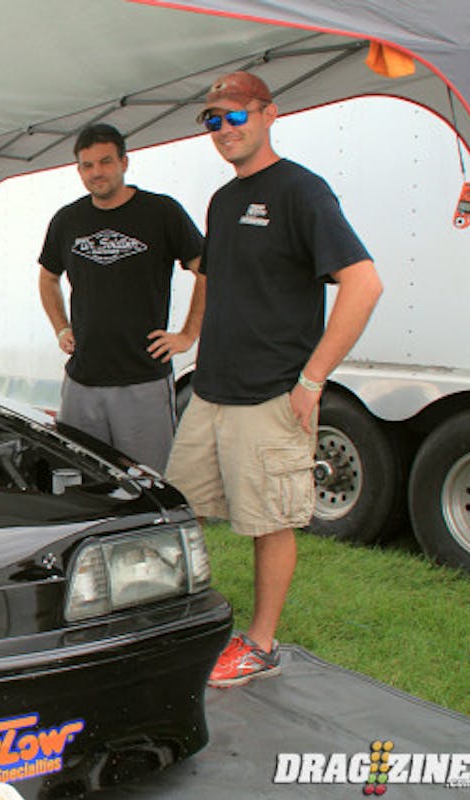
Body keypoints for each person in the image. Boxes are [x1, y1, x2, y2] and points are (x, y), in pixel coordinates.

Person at [165, 71, 383, 688]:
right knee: (180, 511)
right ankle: (186, 621)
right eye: (213, 119)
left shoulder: (301, 191)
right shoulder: (222, 200)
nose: (224, 129)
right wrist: (189, 336)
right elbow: (213, 278)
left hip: (271, 394)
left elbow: (364, 284)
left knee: (270, 523)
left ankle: (261, 644)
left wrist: (312, 379)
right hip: (211, 389)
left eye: (236, 115)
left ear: (268, 114)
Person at [38, 123, 205, 471]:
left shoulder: (161, 212)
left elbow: (207, 270)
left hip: (143, 381)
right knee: (82, 480)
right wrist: (60, 328)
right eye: (87, 165)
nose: (96, 172)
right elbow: (48, 277)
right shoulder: (67, 220)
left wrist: (188, 334)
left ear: (124, 162)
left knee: (147, 483)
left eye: (105, 162)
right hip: (82, 382)